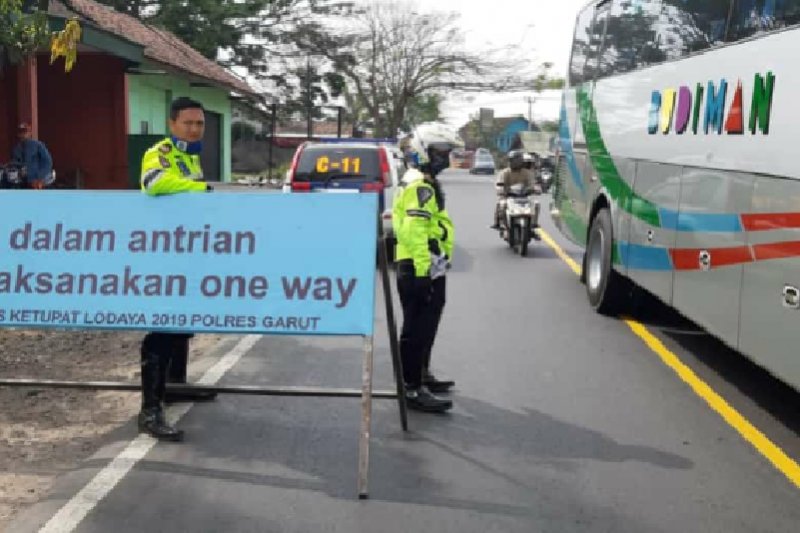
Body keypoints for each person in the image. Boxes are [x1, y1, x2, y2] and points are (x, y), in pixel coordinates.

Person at [138, 96, 215, 441]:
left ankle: (174, 384)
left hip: (188, 251)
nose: (195, 129)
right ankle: (150, 409)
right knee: (162, 327)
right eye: (188, 123)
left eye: (199, 123)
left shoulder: (191, 156)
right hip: (162, 254)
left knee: (183, 321)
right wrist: (201, 188)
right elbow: (154, 184)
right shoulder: (162, 152)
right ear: (171, 124)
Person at [393, 123, 462, 413]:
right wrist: (423, 272)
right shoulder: (420, 184)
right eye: (439, 152)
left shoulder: (427, 180)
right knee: (416, 329)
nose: (445, 158)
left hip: (430, 266)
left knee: (428, 325)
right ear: (423, 150)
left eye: (448, 152)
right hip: (417, 266)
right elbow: (415, 229)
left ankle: (421, 375)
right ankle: (411, 388)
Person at [491, 150, 540, 231]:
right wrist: (500, 190)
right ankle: (498, 223)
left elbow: (532, 183)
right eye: (512, 160)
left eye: (516, 160)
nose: (513, 162)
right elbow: (499, 183)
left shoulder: (527, 173)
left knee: (536, 204)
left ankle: (534, 223)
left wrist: (535, 189)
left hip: (524, 197)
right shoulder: (505, 172)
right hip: (508, 196)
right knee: (501, 204)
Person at [11, 123, 53, 189]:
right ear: (18, 134)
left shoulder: (38, 145)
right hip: (22, 183)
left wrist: (39, 177)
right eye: (21, 132)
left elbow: (48, 162)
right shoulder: (16, 149)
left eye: (25, 132)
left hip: (38, 182)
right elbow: (14, 164)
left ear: (29, 133)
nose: (23, 135)